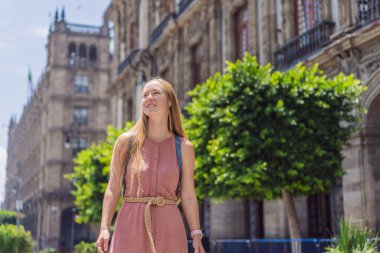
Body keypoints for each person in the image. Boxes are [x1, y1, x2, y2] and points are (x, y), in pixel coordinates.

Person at [96, 77, 206, 253]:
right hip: (129, 225)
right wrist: (104, 229)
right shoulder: (125, 142)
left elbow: (189, 195)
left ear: (170, 101)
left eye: (156, 93)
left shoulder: (184, 147)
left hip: (170, 227)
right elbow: (113, 188)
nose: (149, 98)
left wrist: (196, 234)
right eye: (145, 94)